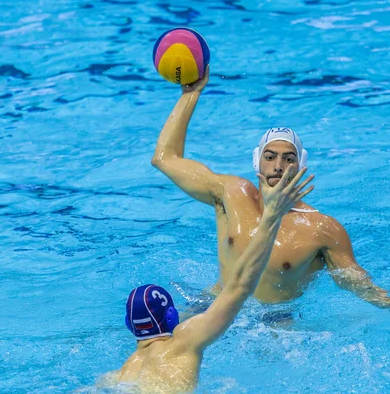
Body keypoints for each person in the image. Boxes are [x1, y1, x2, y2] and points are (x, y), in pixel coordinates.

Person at [152, 66, 390, 324]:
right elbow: (164, 158)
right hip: (213, 306)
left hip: (272, 321)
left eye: (288, 158)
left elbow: (360, 285)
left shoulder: (321, 229)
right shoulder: (230, 194)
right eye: (270, 157)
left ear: (300, 166)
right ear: (257, 161)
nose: (278, 166)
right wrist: (190, 94)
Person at [102, 167, 314, 393]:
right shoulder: (183, 343)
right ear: (172, 317)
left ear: (129, 325)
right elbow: (239, 285)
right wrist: (271, 214)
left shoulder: (114, 378)